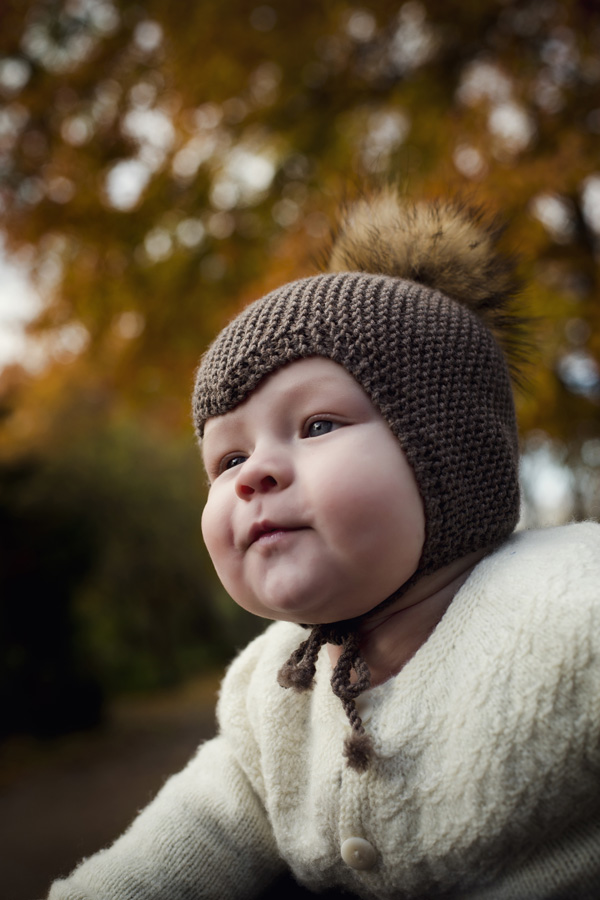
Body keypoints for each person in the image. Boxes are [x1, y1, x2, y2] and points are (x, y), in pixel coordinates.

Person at [48, 190, 600, 900]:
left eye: (315, 426)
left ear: (450, 454)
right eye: (227, 461)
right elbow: (203, 827)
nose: (255, 475)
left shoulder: (569, 608)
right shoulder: (272, 686)